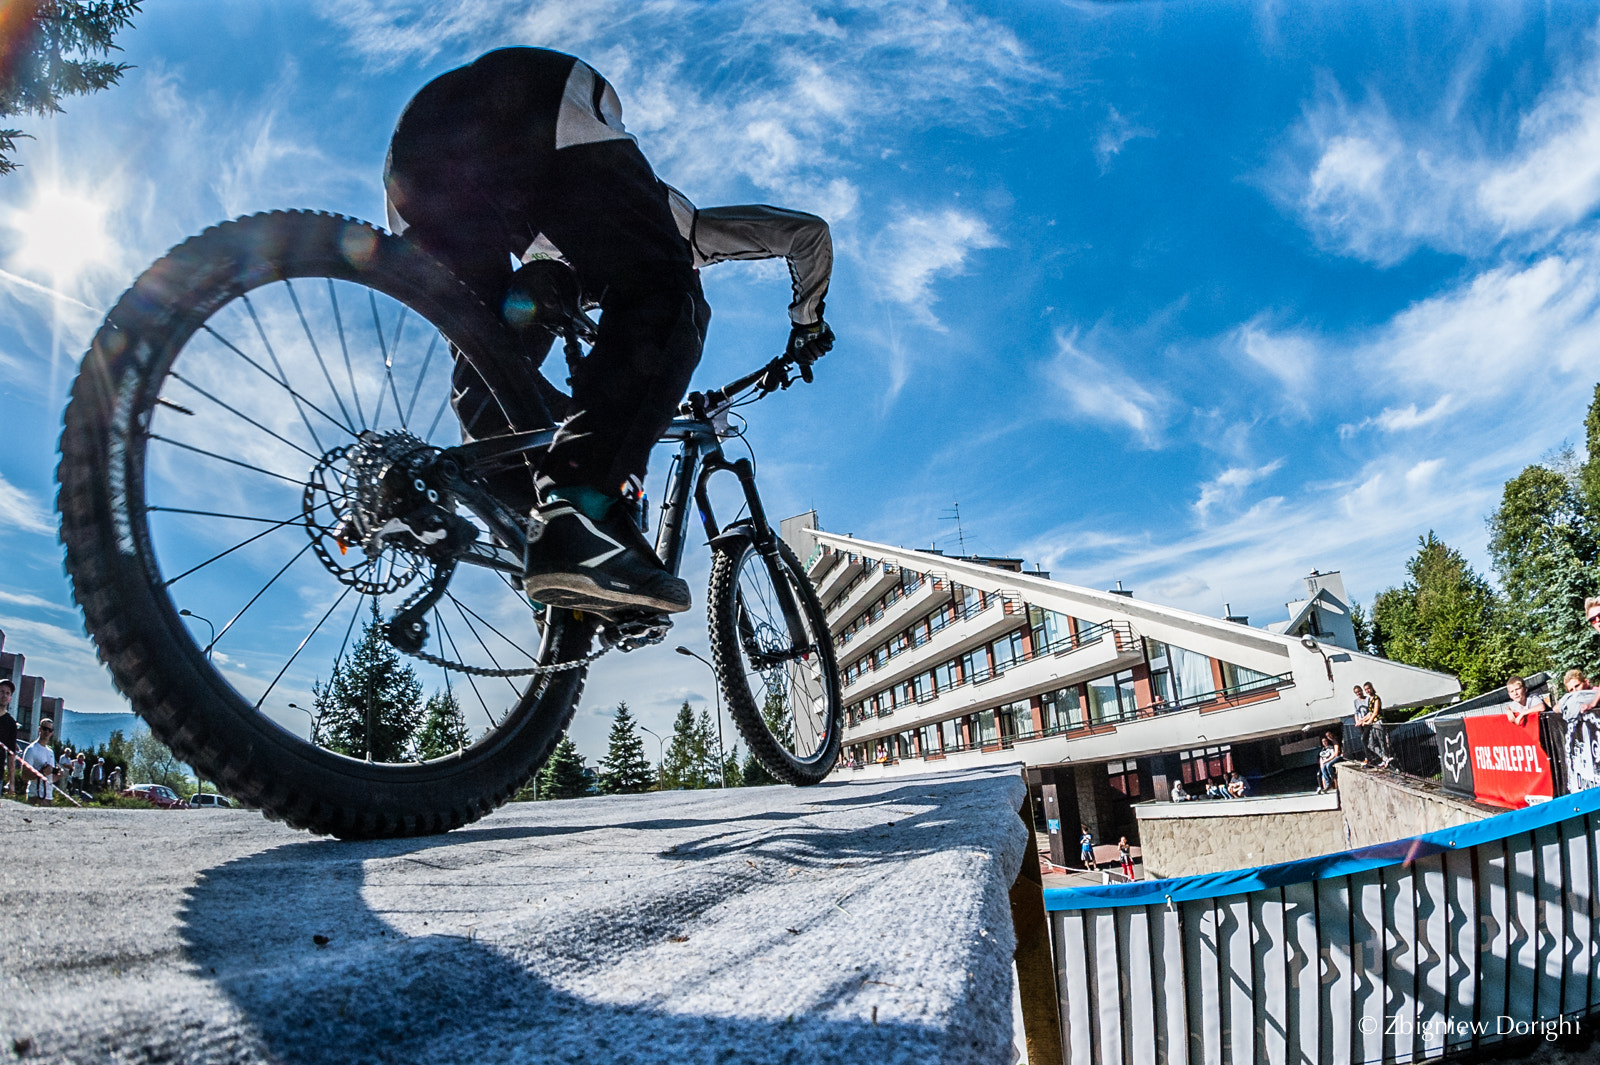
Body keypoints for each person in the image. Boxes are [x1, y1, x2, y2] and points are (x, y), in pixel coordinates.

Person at [383, 48, 834, 616]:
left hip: (414, 162)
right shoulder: (678, 224)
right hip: (530, 107)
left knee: (492, 374)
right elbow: (806, 234)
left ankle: (448, 508)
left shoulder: (556, 266)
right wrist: (807, 322)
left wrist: (574, 420)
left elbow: (506, 378)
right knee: (668, 291)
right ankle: (581, 509)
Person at [1560, 669, 1600, 792]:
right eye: (1571, 690)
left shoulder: (1594, 693)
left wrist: (1593, 704)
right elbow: (1556, 708)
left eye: (1577, 686)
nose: (1576, 692)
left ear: (1586, 682)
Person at [20, 719, 59, 806]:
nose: (47, 732)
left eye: (50, 730)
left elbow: (50, 778)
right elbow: (24, 775)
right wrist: (41, 772)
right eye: (45, 729)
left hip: (48, 796)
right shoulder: (31, 749)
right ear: (39, 729)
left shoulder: (50, 752)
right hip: (35, 795)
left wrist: (58, 775)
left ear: (52, 733)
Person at [1358, 681, 1391, 768]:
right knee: (1371, 744)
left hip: (1378, 722)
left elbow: (1375, 712)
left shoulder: (1377, 698)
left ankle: (1386, 759)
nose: (1367, 691)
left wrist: (1369, 722)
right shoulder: (1370, 699)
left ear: (1372, 688)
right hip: (1373, 724)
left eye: (1368, 688)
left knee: (1381, 741)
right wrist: (1361, 720)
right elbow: (1370, 713)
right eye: (1366, 690)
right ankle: (1384, 758)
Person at [0, 678, 16, 796]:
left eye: (7, 693)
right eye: (1, 691)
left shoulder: (10, 723)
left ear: (10, 698)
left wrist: (11, 782)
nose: (4, 695)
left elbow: (11, 755)